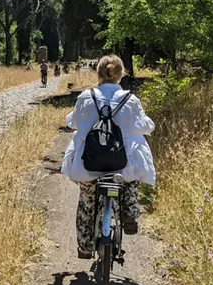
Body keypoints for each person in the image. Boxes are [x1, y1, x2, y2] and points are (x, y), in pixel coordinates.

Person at [60, 54, 156, 259]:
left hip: (90, 164)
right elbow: (145, 126)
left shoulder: (86, 97)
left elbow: (74, 122)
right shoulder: (131, 100)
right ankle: (129, 211)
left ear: (99, 73)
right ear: (121, 75)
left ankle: (85, 247)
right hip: (123, 164)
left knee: (87, 199)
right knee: (130, 181)